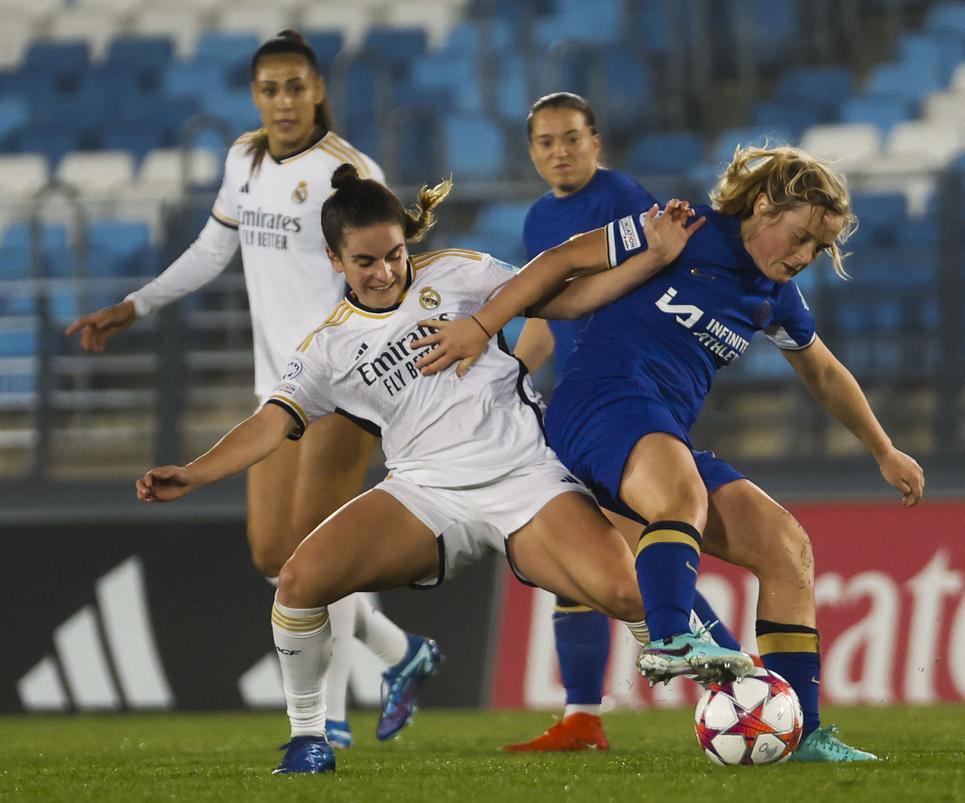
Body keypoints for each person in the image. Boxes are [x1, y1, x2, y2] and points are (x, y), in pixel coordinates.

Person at [134, 164, 736, 774]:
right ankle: (307, 736)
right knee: (298, 582)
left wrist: (648, 259)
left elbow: (567, 296)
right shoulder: (327, 348)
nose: (385, 271)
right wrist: (196, 472)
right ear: (334, 260)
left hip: (525, 477)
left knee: (629, 592)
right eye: (365, 261)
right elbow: (270, 423)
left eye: (394, 254)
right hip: (424, 491)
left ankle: (736, 702)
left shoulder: (459, 273)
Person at [414, 143, 927, 762]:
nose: (802, 257)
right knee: (680, 493)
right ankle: (672, 638)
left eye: (817, 249)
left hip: (659, 434)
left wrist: (884, 448)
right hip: (599, 404)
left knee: (787, 548)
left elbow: (823, 373)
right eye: (799, 238)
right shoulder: (681, 230)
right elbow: (560, 260)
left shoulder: (774, 296)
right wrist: (483, 324)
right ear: (763, 205)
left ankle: (804, 733)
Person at [64, 31, 421, 749]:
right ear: (254, 96)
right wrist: (137, 305)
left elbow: (391, 270)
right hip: (276, 390)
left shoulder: (346, 172)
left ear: (319, 89)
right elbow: (210, 248)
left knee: (316, 553)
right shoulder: (245, 158)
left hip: (342, 386)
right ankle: (399, 652)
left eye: (295, 86)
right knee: (270, 554)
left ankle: (325, 717)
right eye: (269, 89)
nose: (283, 101)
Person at [506, 92, 744, 753]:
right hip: (576, 403)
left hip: (620, 401)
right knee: (578, 557)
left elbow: (656, 277)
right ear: (532, 151)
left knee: (638, 547)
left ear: (596, 141)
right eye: (547, 141)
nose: (560, 150)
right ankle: (583, 714)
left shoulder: (620, 199)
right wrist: (507, 382)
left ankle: (739, 688)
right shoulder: (538, 219)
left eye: (571, 138)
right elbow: (545, 317)